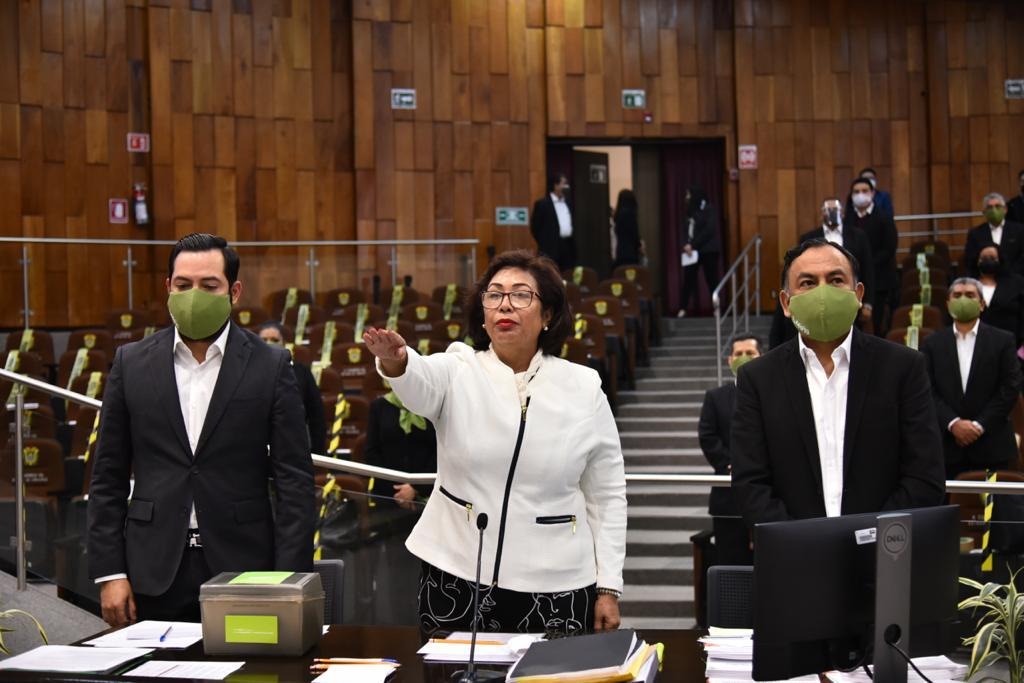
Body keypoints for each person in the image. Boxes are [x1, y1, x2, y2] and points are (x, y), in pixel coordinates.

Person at [362, 250, 626, 634]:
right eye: (495, 294)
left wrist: (609, 586)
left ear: (548, 315)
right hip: (456, 573)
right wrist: (398, 361)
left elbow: (607, 494)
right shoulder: (458, 368)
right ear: (483, 313)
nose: (505, 304)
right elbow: (420, 382)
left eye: (521, 295)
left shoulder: (583, 387)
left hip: (557, 583)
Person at [87, 233, 316, 626]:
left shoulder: (272, 365)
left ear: (234, 291)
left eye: (209, 286)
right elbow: (107, 476)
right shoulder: (130, 363)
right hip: (151, 574)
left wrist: (288, 580)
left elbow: (295, 481)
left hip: (247, 571)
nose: (194, 296)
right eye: (183, 285)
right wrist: (110, 572)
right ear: (168, 288)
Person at [731, 239, 945, 527]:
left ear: (858, 295)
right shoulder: (757, 378)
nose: (823, 293)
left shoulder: (904, 367)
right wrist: (801, 542)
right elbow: (749, 482)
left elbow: (925, 475)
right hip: (794, 549)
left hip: (883, 547)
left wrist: (869, 538)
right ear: (786, 303)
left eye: (835, 280)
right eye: (808, 283)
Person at [921, 278, 1022, 479]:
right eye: (957, 295)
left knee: (990, 501)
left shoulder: (1003, 340)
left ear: (982, 304)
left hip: (992, 446)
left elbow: (1010, 387)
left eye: (970, 295)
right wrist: (953, 423)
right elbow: (926, 388)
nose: (963, 299)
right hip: (946, 447)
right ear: (948, 304)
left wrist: (979, 425)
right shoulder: (932, 343)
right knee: (949, 500)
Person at [698, 334, 761, 565]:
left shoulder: (777, 393)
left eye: (750, 353)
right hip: (728, 498)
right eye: (738, 353)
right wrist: (731, 463)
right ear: (729, 360)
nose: (743, 358)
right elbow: (708, 436)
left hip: (770, 497)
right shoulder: (715, 397)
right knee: (730, 565)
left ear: (761, 357)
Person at [799, 198, 876, 328]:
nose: (831, 213)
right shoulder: (808, 238)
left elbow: (867, 270)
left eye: (835, 209)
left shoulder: (858, 236)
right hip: (819, 299)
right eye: (828, 210)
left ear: (842, 213)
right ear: (821, 214)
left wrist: (868, 303)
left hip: (850, 298)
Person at [258, 321, 327, 456]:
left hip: (294, 447)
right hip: (257, 447)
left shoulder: (301, 372)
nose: (269, 343)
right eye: (264, 340)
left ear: (284, 344)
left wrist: (317, 453)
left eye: (275, 340)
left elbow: (316, 416)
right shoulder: (248, 371)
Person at [365, 388, 437, 509]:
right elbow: (371, 452)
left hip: (429, 495)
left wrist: (416, 488)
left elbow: (440, 453)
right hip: (388, 496)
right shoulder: (379, 406)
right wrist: (400, 493)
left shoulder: (432, 407)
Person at [845, 178, 899, 335]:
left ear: (872, 193)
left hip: (879, 280)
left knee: (877, 326)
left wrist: (867, 263)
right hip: (853, 281)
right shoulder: (847, 219)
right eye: (856, 192)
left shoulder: (884, 218)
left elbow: (889, 248)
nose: (860, 195)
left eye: (864, 191)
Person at [678, 185, 721, 317]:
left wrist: (693, 244)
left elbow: (709, 230)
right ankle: (682, 308)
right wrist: (686, 244)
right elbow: (686, 230)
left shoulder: (709, 209)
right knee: (688, 280)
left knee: (712, 280)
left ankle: (717, 308)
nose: (687, 197)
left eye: (688, 194)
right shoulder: (689, 211)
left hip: (708, 250)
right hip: (691, 252)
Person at [965, 193, 1024, 278]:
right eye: (989, 207)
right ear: (984, 212)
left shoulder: (1019, 230)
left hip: (1015, 278)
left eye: (997, 206)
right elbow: (970, 259)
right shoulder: (975, 233)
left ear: (1005, 209)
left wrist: (1011, 276)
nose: (994, 210)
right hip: (985, 278)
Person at [976, 244, 1024, 348]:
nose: (988, 261)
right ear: (977, 261)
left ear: (1000, 260)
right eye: (984, 258)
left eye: (992, 258)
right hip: (977, 341)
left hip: (1011, 341)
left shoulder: (1016, 283)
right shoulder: (968, 284)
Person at [530, 172, 576, 271]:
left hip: (567, 246)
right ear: (556, 185)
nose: (566, 187)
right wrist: (545, 243)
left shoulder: (568, 203)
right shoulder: (543, 204)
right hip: (550, 248)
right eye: (563, 184)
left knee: (567, 274)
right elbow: (535, 228)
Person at [612, 189, 642, 268]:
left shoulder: (618, 216)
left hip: (620, 253)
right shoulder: (630, 214)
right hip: (630, 254)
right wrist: (640, 245)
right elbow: (634, 234)